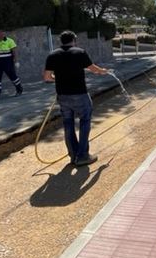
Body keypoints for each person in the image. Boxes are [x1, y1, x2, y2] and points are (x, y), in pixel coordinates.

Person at [43, 30, 109, 166]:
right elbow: (93, 69)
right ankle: (83, 155)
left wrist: (59, 78)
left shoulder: (52, 55)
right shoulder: (80, 52)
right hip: (80, 94)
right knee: (85, 122)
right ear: (74, 40)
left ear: (61, 41)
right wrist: (103, 71)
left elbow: (47, 77)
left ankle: (73, 156)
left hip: (62, 95)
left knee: (68, 124)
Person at [0, 29, 23, 101]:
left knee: (12, 76)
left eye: (3, 32)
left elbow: (14, 51)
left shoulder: (10, 41)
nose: (2, 34)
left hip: (8, 61)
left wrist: (16, 61)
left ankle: (19, 89)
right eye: (0, 32)